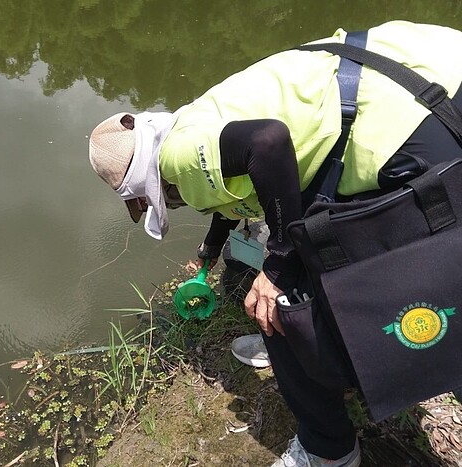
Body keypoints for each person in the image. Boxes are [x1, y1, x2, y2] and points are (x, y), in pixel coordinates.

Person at [88, 20, 462, 467]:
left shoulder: (177, 156)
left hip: (409, 133)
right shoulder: (192, 120)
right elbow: (236, 183)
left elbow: (267, 143)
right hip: (433, 77)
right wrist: (212, 248)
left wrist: (278, 268)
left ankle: (328, 450)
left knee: (280, 308)